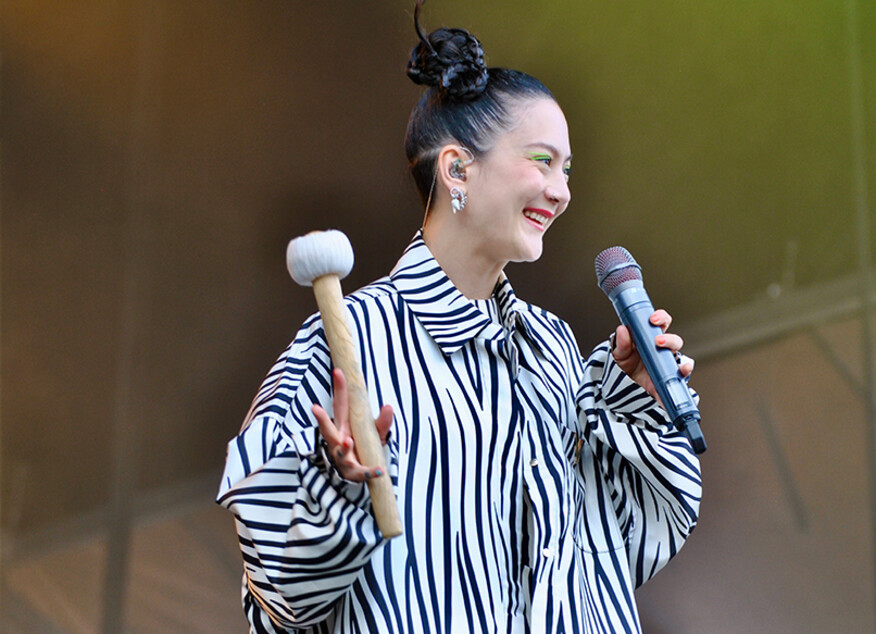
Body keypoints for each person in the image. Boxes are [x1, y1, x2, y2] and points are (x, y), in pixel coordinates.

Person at [217, 3, 702, 632]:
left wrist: (630, 399)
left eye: (568, 169)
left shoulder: (551, 349)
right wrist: (333, 485)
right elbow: (280, 591)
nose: (562, 190)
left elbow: (618, 546)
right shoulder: (349, 341)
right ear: (457, 169)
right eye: (541, 160)